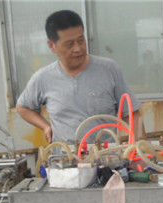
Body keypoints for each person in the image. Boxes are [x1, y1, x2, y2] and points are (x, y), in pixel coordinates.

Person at [16, 10, 144, 145]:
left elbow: (132, 114)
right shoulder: (43, 78)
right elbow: (23, 108)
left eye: (81, 40)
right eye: (69, 44)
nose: (78, 48)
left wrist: (138, 148)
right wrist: (46, 126)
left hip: (106, 153)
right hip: (65, 155)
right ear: (52, 45)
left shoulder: (109, 69)